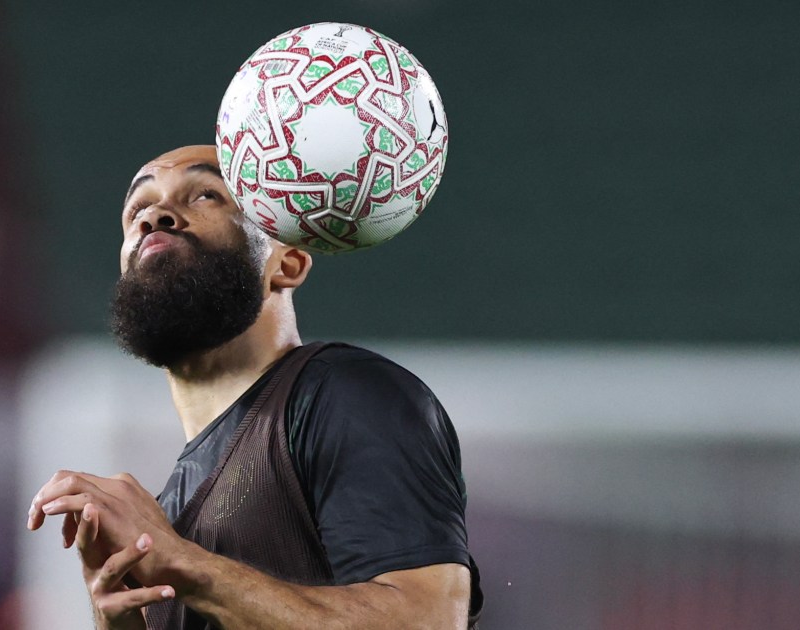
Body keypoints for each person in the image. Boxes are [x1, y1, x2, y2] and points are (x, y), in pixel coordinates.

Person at [26, 145, 482, 629]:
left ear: (287, 264)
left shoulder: (345, 395)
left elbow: (428, 621)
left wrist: (184, 564)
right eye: (138, 207)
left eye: (205, 195)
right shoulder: (164, 517)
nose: (155, 215)